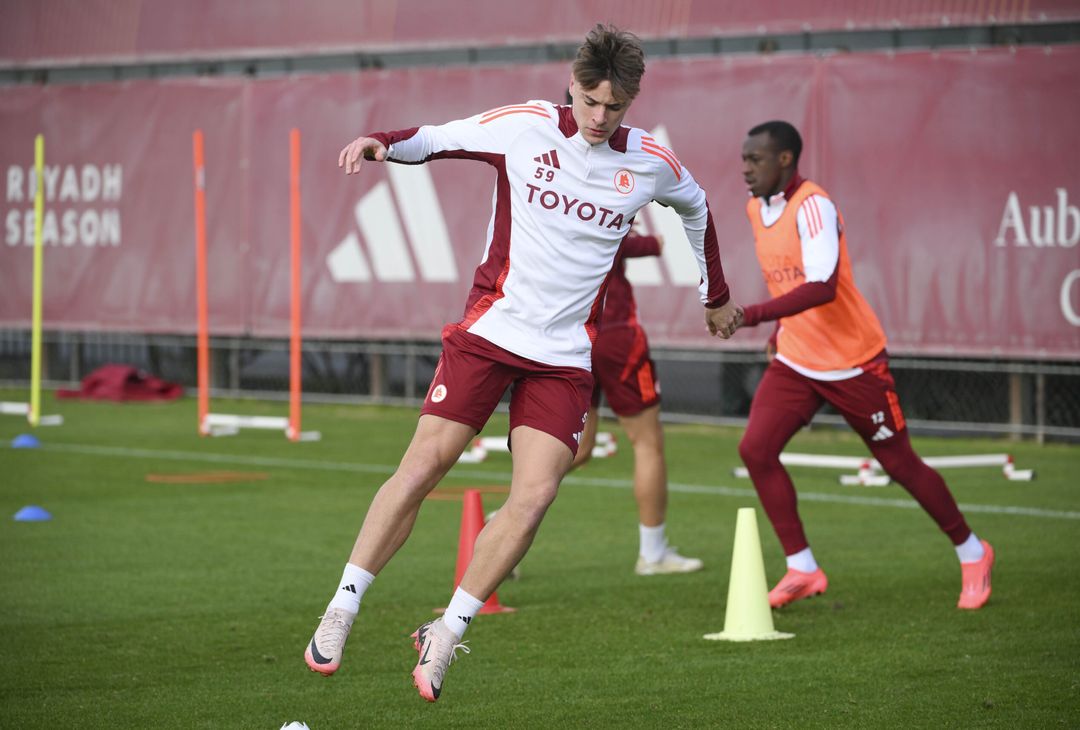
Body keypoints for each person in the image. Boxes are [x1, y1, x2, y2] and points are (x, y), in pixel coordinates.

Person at [305, 24, 741, 703]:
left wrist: (715, 297)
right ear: (572, 86)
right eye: (591, 102)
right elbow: (440, 137)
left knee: (536, 496)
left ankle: (446, 630)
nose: (600, 118)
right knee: (422, 469)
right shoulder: (527, 126)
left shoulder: (650, 161)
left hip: (564, 356)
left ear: (632, 103)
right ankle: (343, 605)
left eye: (615, 107)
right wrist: (381, 143)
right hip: (490, 331)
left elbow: (700, 210)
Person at [735, 120, 994, 611]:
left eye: (755, 159)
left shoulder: (814, 206)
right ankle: (803, 568)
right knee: (756, 449)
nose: (745, 168)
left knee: (898, 464)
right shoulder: (755, 208)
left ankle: (973, 551)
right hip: (796, 359)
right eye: (744, 159)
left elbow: (822, 286)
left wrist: (750, 316)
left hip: (854, 361)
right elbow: (784, 282)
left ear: (785, 160)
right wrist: (776, 329)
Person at [571, 231, 703, 576]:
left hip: (572, 337)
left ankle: (505, 517)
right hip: (616, 335)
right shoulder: (601, 208)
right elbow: (652, 243)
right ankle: (653, 553)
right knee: (647, 443)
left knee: (579, 449)